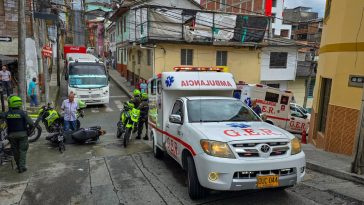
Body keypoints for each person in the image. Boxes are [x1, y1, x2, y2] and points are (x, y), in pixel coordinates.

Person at [3, 96, 34, 173]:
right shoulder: (23, 113)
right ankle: (22, 167)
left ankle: (18, 165)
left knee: (15, 151)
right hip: (22, 135)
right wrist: (29, 131)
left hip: (11, 135)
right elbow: (31, 123)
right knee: (22, 151)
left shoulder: (7, 113)